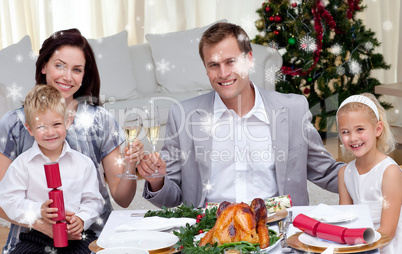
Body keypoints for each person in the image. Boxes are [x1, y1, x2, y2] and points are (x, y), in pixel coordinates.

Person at [137, 22, 344, 208]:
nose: (224, 73)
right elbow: (171, 197)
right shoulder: (183, 115)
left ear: (249, 60)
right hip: (211, 234)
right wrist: (157, 180)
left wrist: (372, 171)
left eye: (231, 62)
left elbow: (325, 171)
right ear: (205, 68)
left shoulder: (293, 109)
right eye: (214, 65)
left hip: (278, 229)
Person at [0, 29, 144, 253]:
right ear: (43, 66)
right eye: (59, 65)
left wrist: (130, 165)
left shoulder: (100, 121)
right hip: (31, 237)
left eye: (76, 69)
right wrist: (43, 224)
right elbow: (3, 197)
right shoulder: (14, 123)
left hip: (90, 235)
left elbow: (122, 199)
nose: (67, 76)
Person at [0, 85, 104, 253]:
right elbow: (8, 201)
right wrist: (38, 210)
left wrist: (81, 219)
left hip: (76, 235)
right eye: (41, 126)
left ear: (68, 121)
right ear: (30, 129)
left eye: (56, 124)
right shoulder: (21, 165)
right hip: (37, 236)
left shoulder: (83, 163)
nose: (50, 132)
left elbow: (93, 200)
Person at [337, 93, 401, 253]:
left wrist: (359, 247)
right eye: (345, 132)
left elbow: (388, 231)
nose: (353, 138)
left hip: (384, 245)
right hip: (357, 244)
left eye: (360, 129)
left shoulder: (390, 172)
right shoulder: (344, 173)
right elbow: (344, 219)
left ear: (378, 129)